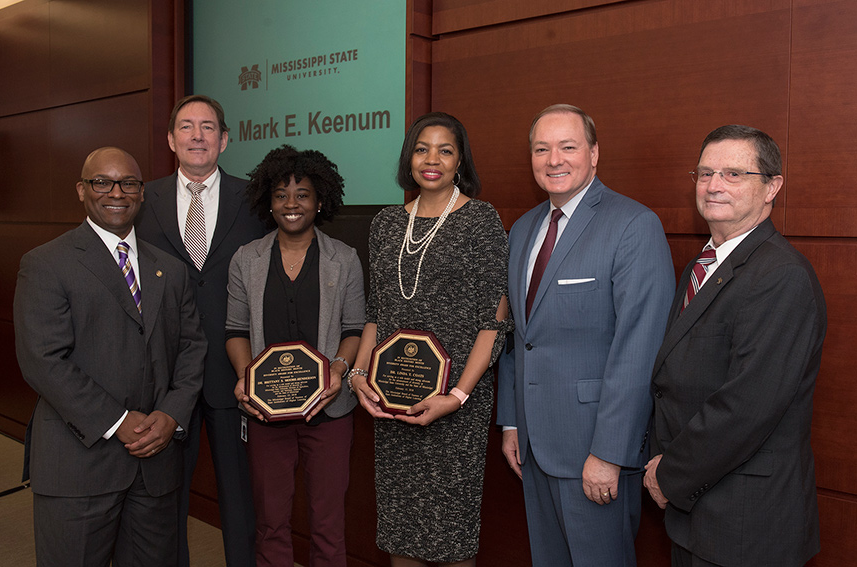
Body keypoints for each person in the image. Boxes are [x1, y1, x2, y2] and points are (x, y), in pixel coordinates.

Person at [497, 104, 674, 567]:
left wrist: (609, 454)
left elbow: (639, 349)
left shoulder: (634, 225)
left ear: (594, 154)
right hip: (534, 447)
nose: (554, 159)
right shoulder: (521, 230)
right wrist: (512, 421)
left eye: (568, 147)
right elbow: (519, 337)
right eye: (541, 149)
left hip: (594, 451)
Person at [643, 125, 827, 567]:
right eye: (705, 173)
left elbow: (748, 405)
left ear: (772, 187)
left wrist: (669, 475)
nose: (714, 186)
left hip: (747, 523)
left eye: (733, 174)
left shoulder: (782, 276)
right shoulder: (699, 267)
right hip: (698, 516)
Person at [14, 147, 206, 566]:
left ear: (141, 193)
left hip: (155, 465)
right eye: (103, 182)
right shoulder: (46, 264)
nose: (116, 192)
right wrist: (117, 422)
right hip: (78, 465)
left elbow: (192, 347)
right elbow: (43, 360)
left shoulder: (170, 269)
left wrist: (172, 413)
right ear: (82, 190)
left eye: (129, 183)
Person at [349, 112, 511, 567]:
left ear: (460, 161)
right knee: (402, 532)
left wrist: (457, 396)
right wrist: (359, 374)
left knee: (451, 535)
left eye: (445, 149)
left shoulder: (480, 220)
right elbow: (376, 313)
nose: (432, 159)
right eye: (422, 148)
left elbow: (493, 322)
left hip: (455, 406)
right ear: (409, 157)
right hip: (391, 399)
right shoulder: (385, 223)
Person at [135, 94, 266, 567]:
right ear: (171, 140)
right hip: (164, 378)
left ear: (225, 140)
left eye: (208, 127)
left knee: (239, 498)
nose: (197, 136)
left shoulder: (255, 199)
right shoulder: (139, 199)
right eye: (186, 127)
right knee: (164, 503)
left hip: (236, 371)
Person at [224, 145, 365, 567]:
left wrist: (338, 370)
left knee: (327, 523)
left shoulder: (345, 259)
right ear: (268, 202)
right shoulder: (245, 259)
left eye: (302, 194)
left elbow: (355, 327)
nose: (291, 204)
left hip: (330, 411)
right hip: (266, 414)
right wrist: (246, 376)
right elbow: (234, 330)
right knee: (271, 523)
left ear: (320, 200)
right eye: (281, 195)